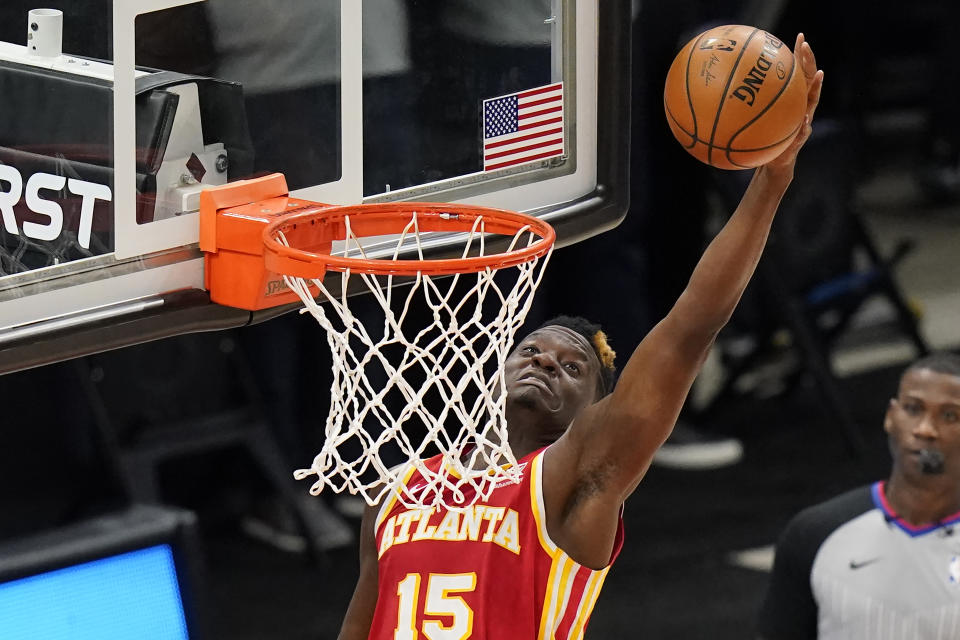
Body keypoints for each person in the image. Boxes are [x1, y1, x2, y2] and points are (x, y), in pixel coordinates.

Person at [337, 34, 822, 640]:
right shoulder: (397, 489)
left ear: (595, 413)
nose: (545, 362)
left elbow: (688, 331)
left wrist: (771, 182)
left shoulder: (574, 482)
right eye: (534, 350)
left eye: (572, 368)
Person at [757, 352, 960, 639]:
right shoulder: (815, 533)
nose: (925, 429)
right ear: (891, 416)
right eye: (913, 409)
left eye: (950, 415)